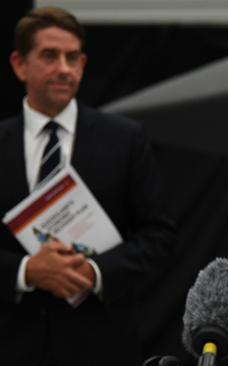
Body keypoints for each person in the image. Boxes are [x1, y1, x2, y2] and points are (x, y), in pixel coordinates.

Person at [0, 7, 176, 366]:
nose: (64, 68)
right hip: (11, 345)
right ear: (19, 65)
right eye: (50, 56)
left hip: (102, 348)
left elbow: (160, 238)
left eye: (73, 57)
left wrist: (95, 273)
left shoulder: (124, 139)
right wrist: (25, 272)